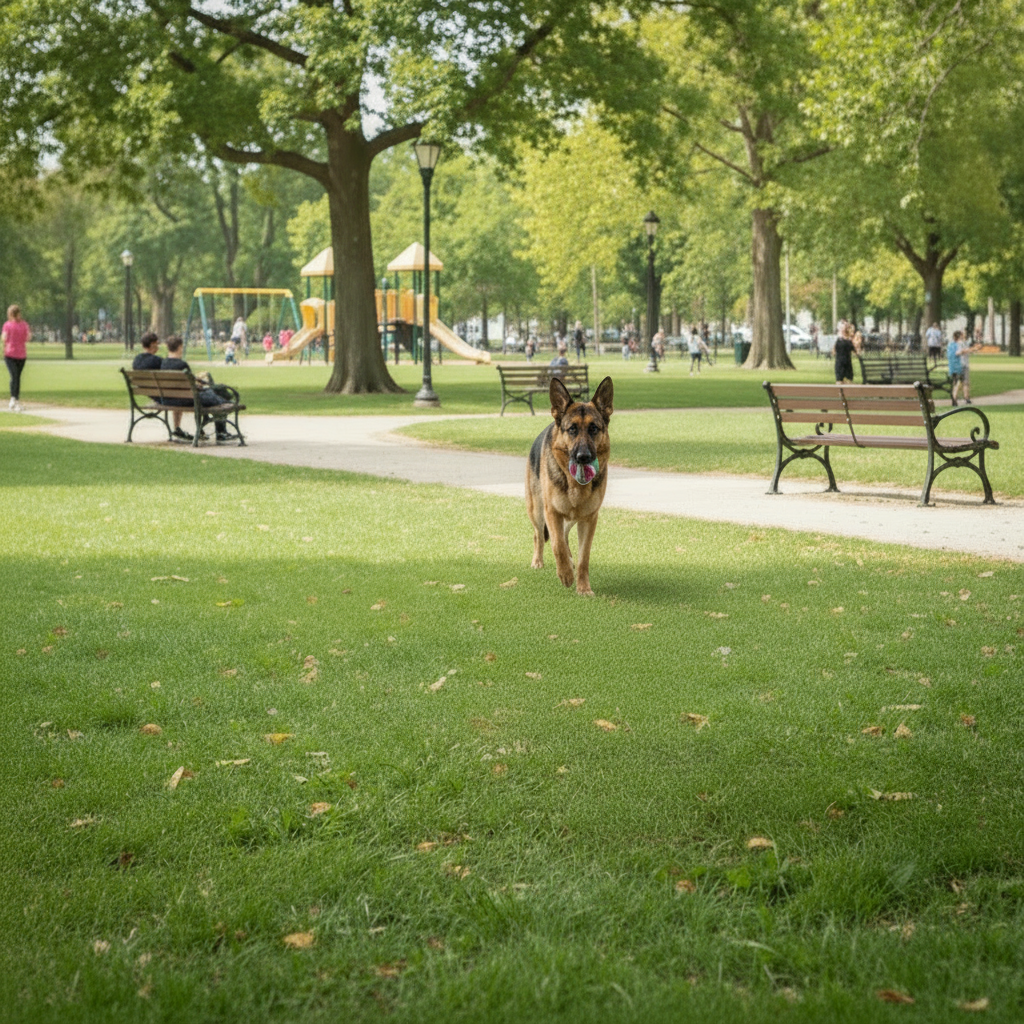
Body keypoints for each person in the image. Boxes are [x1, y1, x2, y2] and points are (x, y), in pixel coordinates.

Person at [161, 335, 230, 442]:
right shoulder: (182, 365)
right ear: (180, 347)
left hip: (172, 398)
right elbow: (193, 386)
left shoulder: (163, 363)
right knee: (221, 398)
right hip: (189, 399)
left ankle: (205, 427)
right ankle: (221, 432)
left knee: (214, 393)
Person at [3, 304, 31, 412]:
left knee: (16, 377)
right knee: (15, 376)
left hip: (16, 354)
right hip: (13, 355)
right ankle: (13, 398)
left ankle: (15, 399)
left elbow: (4, 338)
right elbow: (28, 337)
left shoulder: (8, 325)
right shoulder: (23, 325)